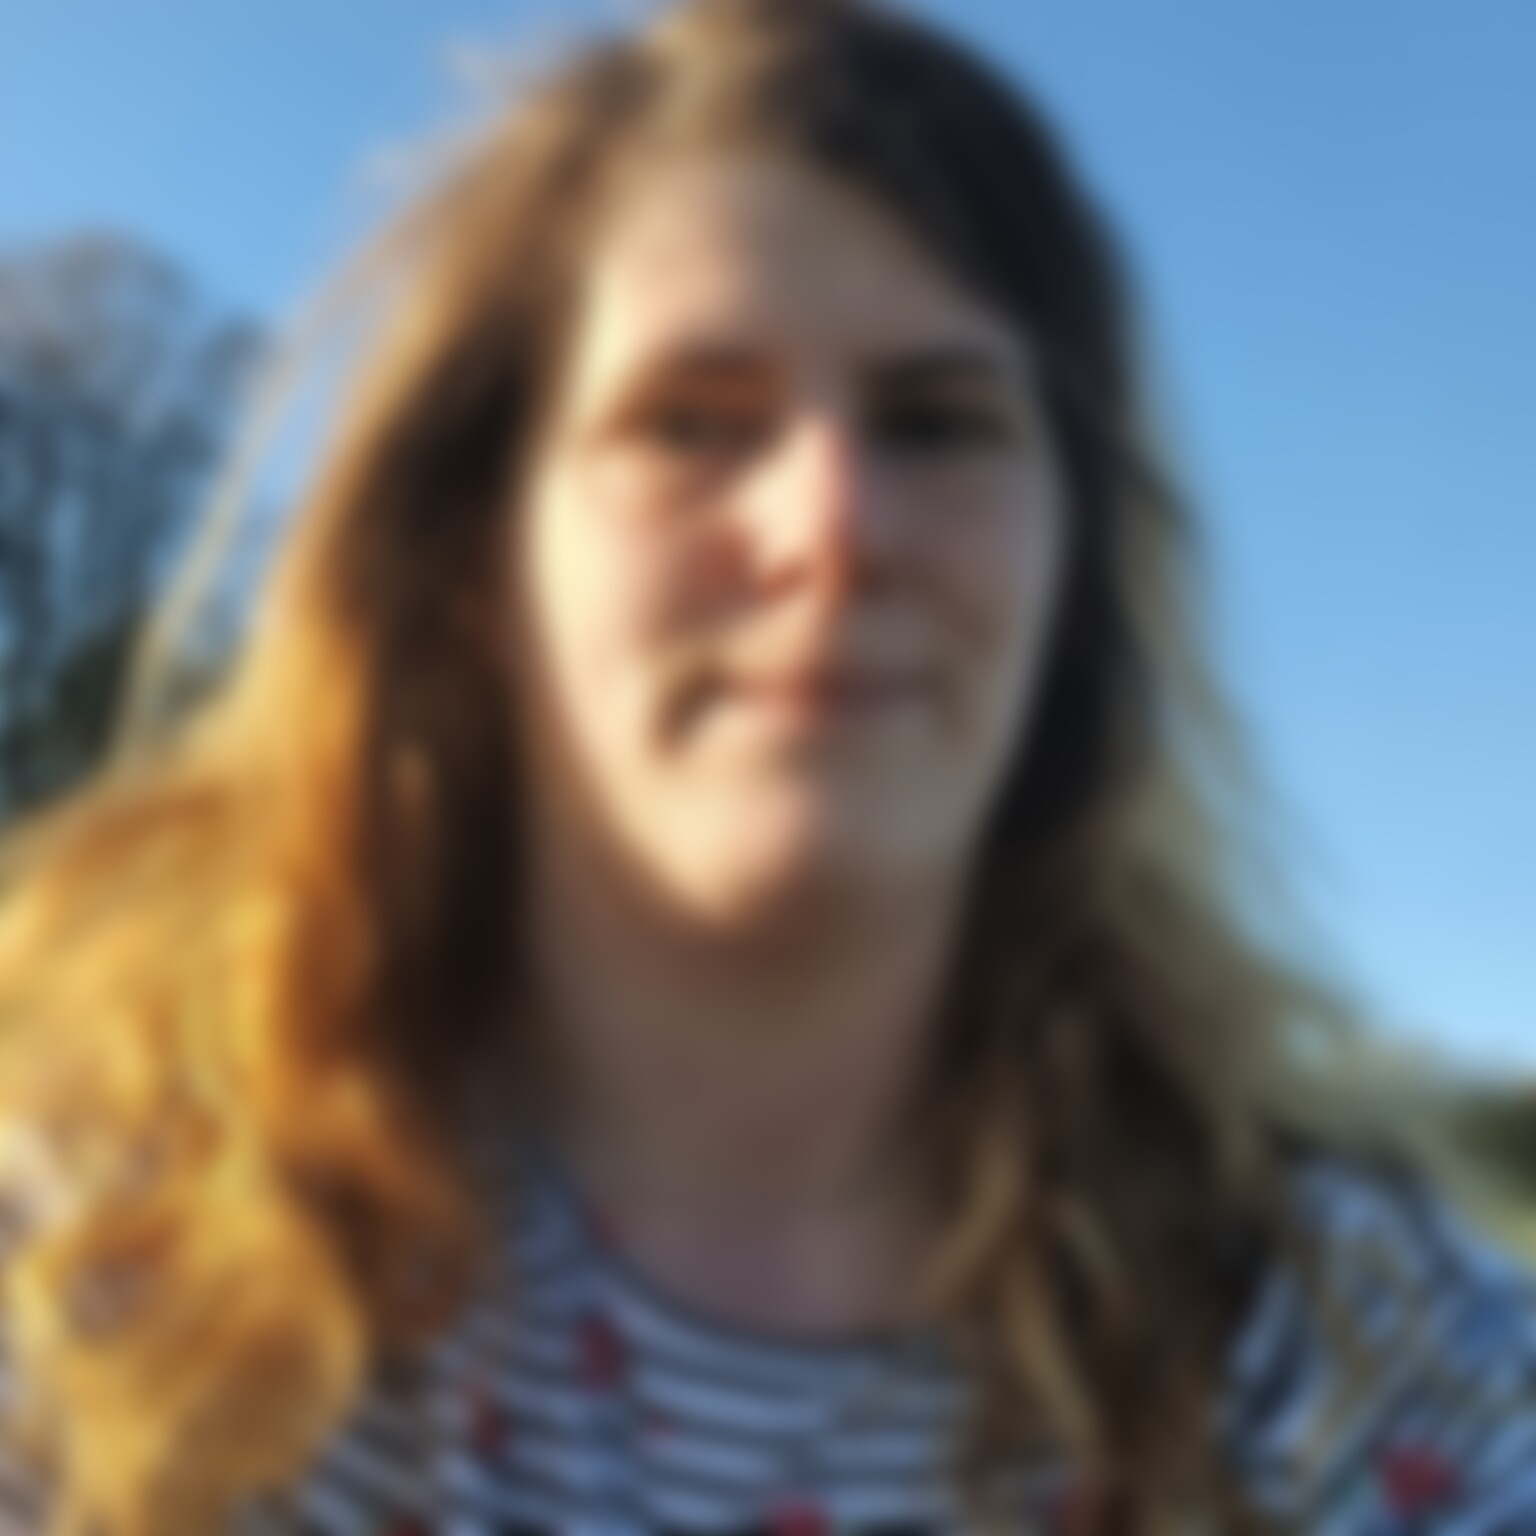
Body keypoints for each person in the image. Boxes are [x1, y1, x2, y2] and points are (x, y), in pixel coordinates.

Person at [0, 1, 1531, 1533]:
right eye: (690, 424)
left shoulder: (1358, 1358)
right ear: (479, 567)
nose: (835, 525)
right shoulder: (89, 1256)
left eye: (937, 423)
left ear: (1072, 572)